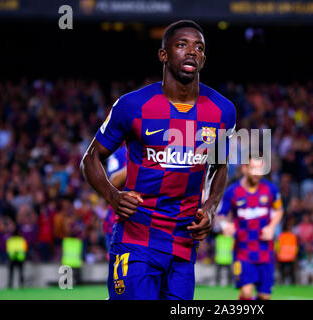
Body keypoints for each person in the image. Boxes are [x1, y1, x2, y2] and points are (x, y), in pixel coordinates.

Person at [80, 20, 236, 300]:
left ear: (204, 58)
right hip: (137, 238)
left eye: (198, 48)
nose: (191, 52)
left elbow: (220, 166)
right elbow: (90, 158)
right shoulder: (132, 105)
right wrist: (113, 196)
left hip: (184, 243)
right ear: (163, 55)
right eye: (181, 45)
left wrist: (210, 208)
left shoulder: (223, 110)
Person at [217, 157, 283, 300]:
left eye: (260, 169)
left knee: (264, 296)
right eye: (253, 168)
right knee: (246, 292)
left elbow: (279, 210)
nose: (257, 173)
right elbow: (221, 215)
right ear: (244, 169)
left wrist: (272, 227)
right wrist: (225, 225)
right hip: (243, 251)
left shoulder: (271, 189)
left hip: (265, 250)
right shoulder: (232, 192)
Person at [276, 219, 298, 285]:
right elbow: (295, 247)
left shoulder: (281, 236)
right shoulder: (292, 236)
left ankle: (283, 282)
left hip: (282, 257)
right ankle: (292, 282)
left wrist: (277, 255)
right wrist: (295, 255)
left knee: (282, 271)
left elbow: (277, 247)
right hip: (290, 257)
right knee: (291, 272)